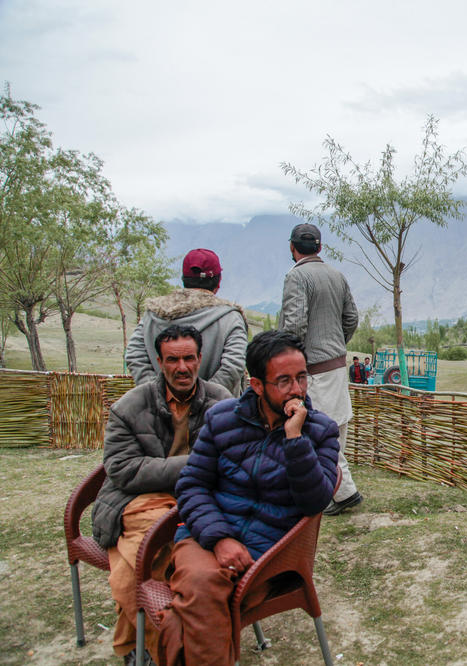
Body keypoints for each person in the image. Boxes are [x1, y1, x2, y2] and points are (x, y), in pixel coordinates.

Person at [157, 330, 340, 665]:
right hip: (207, 538)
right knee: (202, 584)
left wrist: (295, 440)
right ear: (257, 385)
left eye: (301, 378)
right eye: (283, 381)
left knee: (186, 609)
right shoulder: (222, 419)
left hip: (270, 553)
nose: (296, 390)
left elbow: (315, 503)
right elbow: (192, 485)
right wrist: (220, 538)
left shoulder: (321, 432)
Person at [91, 325, 231, 666]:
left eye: (188, 358)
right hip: (138, 499)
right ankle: (167, 647)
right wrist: (195, 464)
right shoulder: (129, 407)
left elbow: (233, 460)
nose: (181, 367)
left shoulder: (222, 402)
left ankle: (132, 646)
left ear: (200, 359)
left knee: (162, 553)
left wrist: (197, 475)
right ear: (159, 362)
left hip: (198, 499)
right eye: (172, 360)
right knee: (155, 546)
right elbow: (123, 470)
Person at [278, 223, 362, 515]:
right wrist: (336, 344)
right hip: (337, 365)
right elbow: (351, 317)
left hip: (311, 367)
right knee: (336, 425)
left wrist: (290, 364)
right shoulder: (336, 275)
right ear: (320, 247)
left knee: (316, 430)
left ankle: (337, 491)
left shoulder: (296, 277)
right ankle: (341, 489)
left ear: (292, 247)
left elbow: (294, 325)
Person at [125, 248, 249, 395]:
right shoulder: (230, 318)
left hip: (160, 415)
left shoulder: (154, 313)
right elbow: (234, 365)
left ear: (184, 279)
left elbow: (134, 354)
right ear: (219, 281)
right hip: (216, 413)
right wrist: (206, 399)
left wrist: (158, 394)